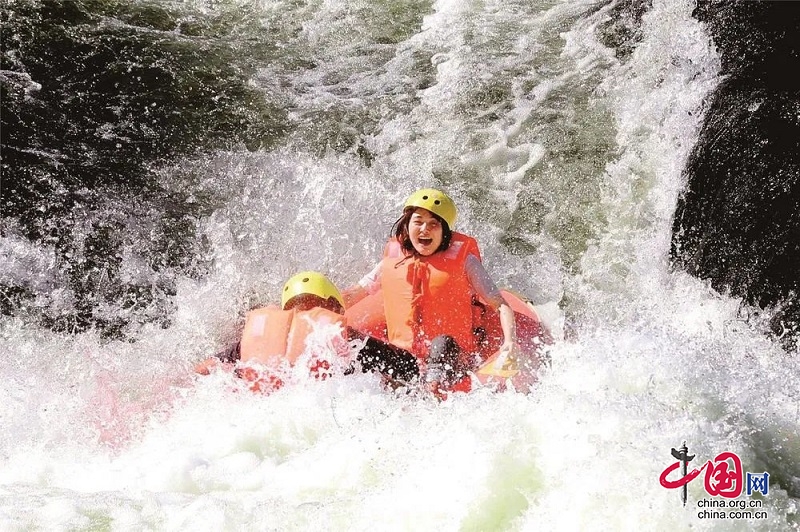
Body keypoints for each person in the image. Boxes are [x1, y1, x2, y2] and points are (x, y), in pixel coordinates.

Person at [342, 188, 521, 394]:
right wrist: (322, 307)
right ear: (407, 226)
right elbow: (356, 293)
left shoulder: (465, 262)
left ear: (445, 232)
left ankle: (432, 392)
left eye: (433, 224)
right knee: (352, 339)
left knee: (441, 342)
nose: (424, 229)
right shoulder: (393, 261)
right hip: (406, 362)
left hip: (455, 360)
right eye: (418, 222)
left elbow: (500, 304)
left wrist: (510, 343)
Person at [195, 271, 419, 392]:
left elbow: (205, 369)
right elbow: (408, 367)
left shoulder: (255, 337)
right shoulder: (338, 334)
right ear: (334, 307)